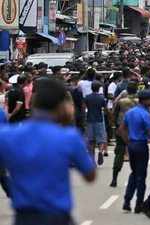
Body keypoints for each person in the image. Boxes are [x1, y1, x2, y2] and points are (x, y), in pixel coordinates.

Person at [0, 78, 96, 225]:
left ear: (33, 104)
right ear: (61, 106)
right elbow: (90, 175)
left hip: (23, 217)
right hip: (57, 216)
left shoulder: (7, 136)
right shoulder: (69, 137)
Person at [119, 89, 150, 213]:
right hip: (141, 145)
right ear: (145, 100)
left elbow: (121, 129)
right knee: (141, 176)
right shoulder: (145, 114)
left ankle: (127, 200)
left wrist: (128, 142)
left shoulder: (130, 112)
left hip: (132, 145)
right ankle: (139, 203)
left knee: (134, 173)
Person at [110, 82, 138, 187]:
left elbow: (114, 114)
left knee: (119, 154)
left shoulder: (121, 102)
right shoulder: (139, 102)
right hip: (135, 129)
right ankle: (136, 178)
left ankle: (114, 178)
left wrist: (115, 127)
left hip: (121, 128)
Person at [84, 81, 108, 165]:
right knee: (101, 139)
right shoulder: (101, 98)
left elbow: (85, 107)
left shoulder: (87, 97)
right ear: (99, 88)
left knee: (91, 141)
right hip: (99, 119)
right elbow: (105, 109)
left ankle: (92, 159)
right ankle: (100, 151)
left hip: (89, 119)